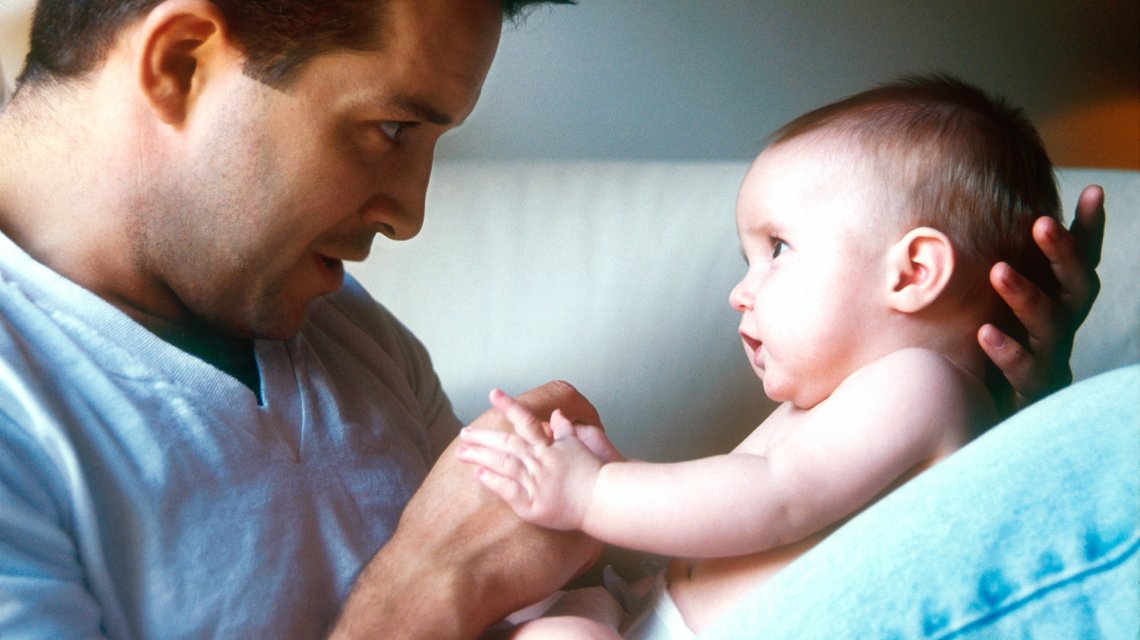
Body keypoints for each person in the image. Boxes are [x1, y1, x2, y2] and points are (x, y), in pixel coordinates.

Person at [0, 1, 1106, 638]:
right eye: (391, 130)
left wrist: (992, 407)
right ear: (182, 60)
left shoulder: (349, 338)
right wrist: (423, 590)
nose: (410, 212)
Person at [455, 75, 1103, 639]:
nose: (741, 292)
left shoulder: (923, 386)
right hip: (654, 604)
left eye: (778, 250)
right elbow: (733, 499)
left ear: (912, 272)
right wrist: (620, 482)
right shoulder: (843, 394)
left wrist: (591, 492)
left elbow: (778, 497)